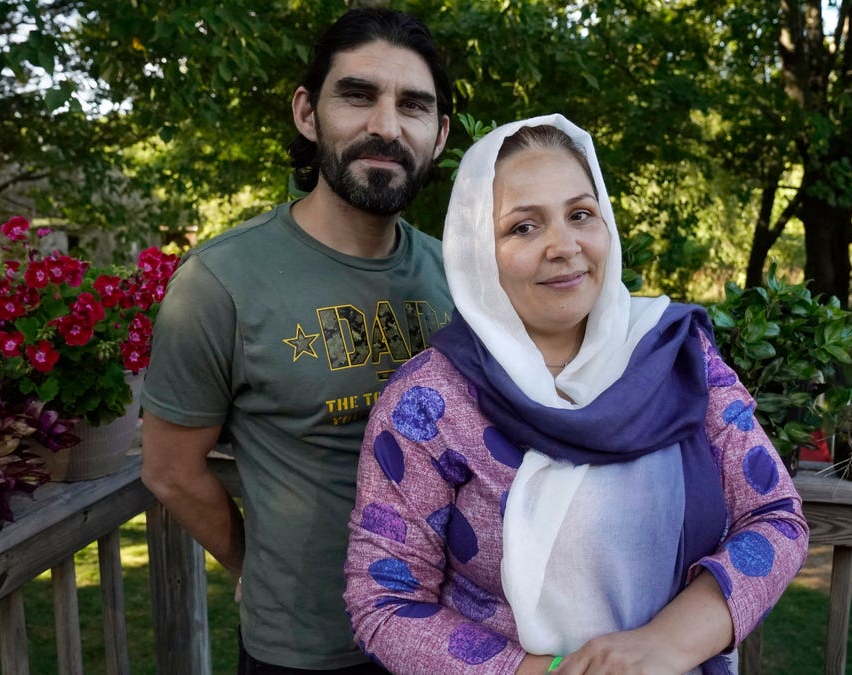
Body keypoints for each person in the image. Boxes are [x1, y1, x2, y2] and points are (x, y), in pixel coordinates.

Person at [344, 115, 809, 675]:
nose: (564, 246)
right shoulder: (430, 402)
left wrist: (666, 645)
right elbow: (386, 602)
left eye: (580, 214)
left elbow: (776, 517)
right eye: (523, 227)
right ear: (476, 253)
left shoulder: (678, 357)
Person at [140, 7, 454, 673]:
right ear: (308, 113)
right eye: (358, 95)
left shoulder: (461, 277)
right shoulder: (220, 281)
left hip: (451, 635)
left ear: (441, 133)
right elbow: (169, 469)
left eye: (414, 105)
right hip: (308, 650)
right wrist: (249, 561)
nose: (385, 126)